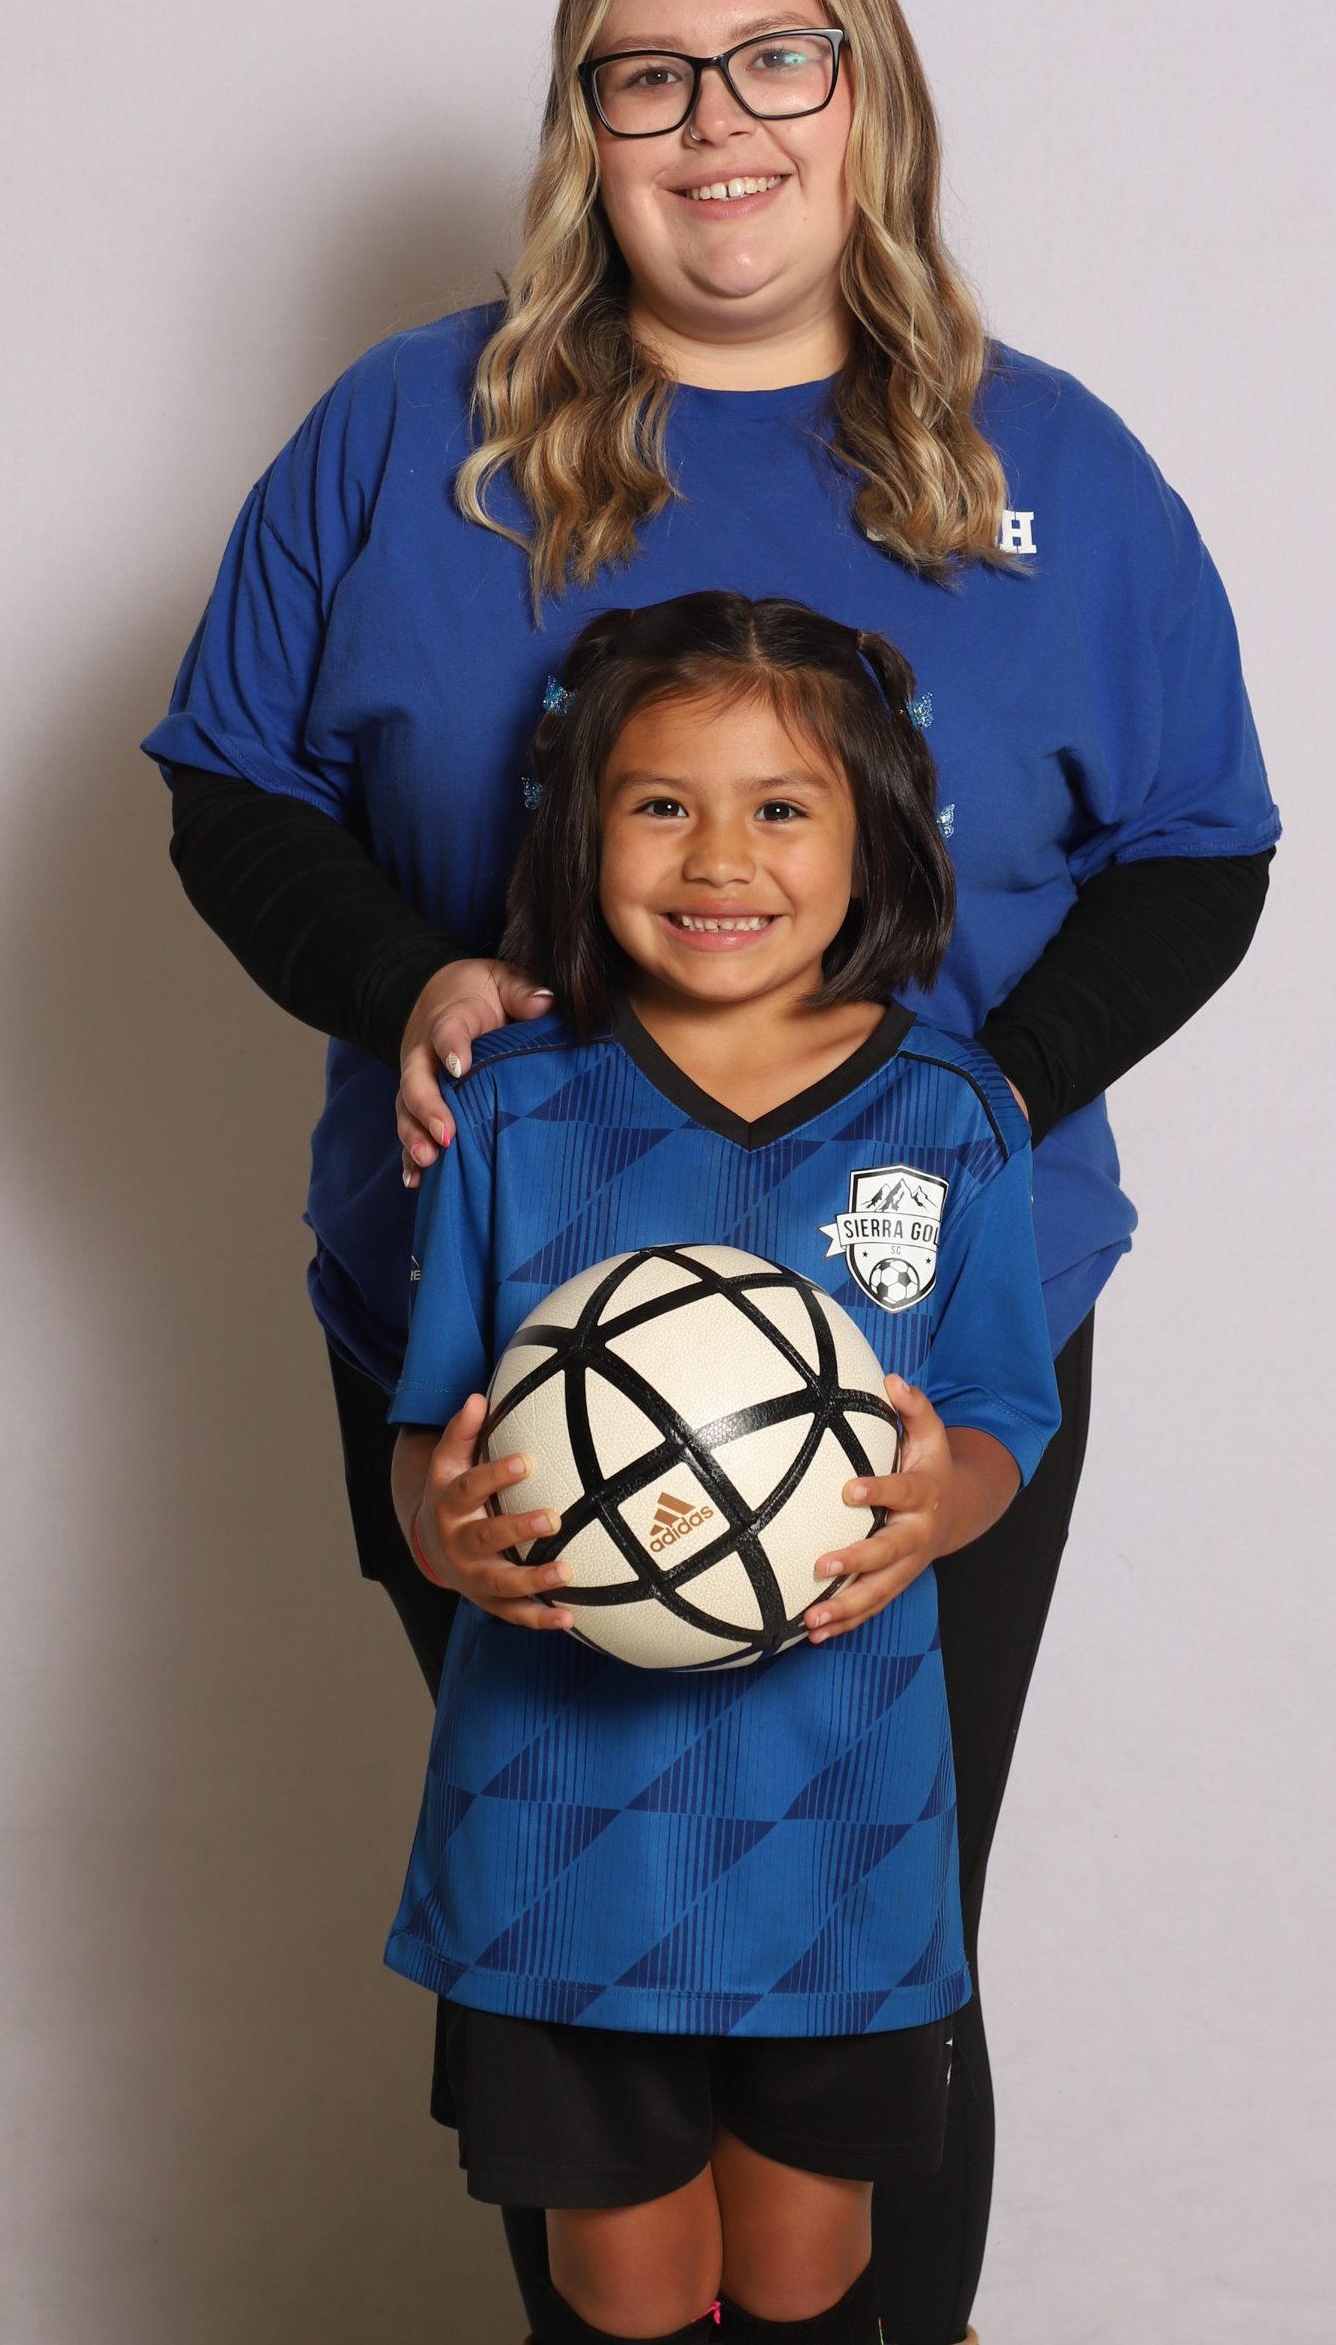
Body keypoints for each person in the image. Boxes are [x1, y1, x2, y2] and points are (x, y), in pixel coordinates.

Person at [146, 0, 1279, 2345]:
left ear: (866, 92)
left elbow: (1203, 846)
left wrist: (962, 1097)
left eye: (776, 56)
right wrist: (409, 981)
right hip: (491, 1306)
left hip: (921, 1317)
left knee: (868, 1945)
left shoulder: (1045, 460)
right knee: (588, 1952)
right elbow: (230, 781)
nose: (716, 120)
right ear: (583, 120)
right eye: (647, 72)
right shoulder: (411, 433)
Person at [388, 593, 1062, 2345]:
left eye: (780, 807)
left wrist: (946, 1498)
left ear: (876, 834)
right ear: (581, 828)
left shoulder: (952, 1117)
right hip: (561, 1814)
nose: (719, 856)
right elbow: (429, 1432)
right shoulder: (511, 1108)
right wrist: (445, 1531)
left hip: (836, 1798)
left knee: (802, 2268)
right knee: (620, 2282)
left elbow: (1003, 1410)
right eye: (660, 803)